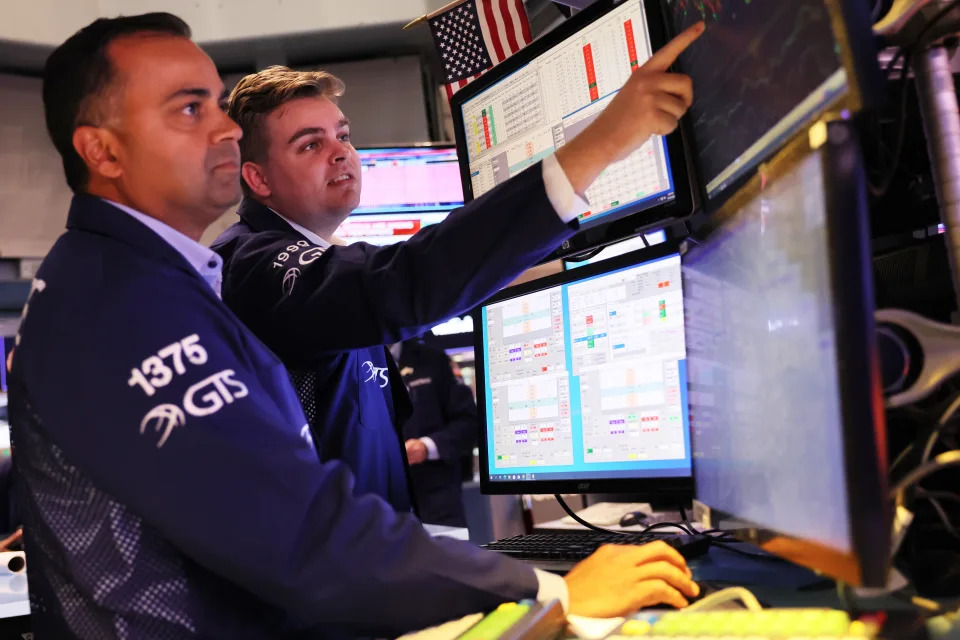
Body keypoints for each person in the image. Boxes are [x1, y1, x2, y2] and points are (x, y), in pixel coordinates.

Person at [9, 12, 702, 638]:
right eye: (189, 110)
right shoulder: (133, 302)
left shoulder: (139, 279)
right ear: (103, 152)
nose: (221, 127)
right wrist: (549, 590)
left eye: (217, 104)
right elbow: (297, 531)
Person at [212, 34, 702, 514]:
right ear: (257, 178)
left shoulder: (315, 262)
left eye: (342, 135)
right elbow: (402, 284)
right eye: (309, 145)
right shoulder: (252, 266)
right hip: (329, 584)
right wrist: (604, 140)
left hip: (374, 570)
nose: (340, 153)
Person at [391, 338, 477, 527]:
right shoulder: (353, 365)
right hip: (383, 508)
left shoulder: (433, 360)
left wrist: (427, 447)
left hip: (438, 502)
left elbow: (469, 423)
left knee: (451, 556)